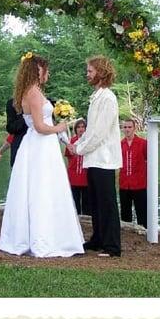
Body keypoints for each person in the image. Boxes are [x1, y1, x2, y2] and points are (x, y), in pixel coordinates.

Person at [0, 53, 84, 258]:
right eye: (46, 69)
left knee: (41, 187)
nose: (49, 73)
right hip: (40, 145)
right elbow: (39, 127)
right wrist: (61, 127)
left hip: (37, 145)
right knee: (43, 188)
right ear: (38, 70)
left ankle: (43, 234)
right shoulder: (34, 93)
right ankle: (46, 237)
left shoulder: (30, 91)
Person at [67, 55, 123, 257]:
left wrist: (79, 149)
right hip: (94, 159)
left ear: (100, 72)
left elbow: (99, 133)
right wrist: (78, 144)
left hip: (104, 160)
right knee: (96, 202)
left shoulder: (108, 98)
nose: (87, 74)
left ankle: (113, 246)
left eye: (90, 71)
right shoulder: (97, 97)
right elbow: (90, 131)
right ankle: (98, 238)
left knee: (107, 203)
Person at [119, 119, 147, 227]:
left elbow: (150, 161)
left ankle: (144, 233)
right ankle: (127, 237)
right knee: (125, 214)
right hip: (124, 184)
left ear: (134, 128)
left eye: (129, 127)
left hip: (139, 184)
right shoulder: (120, 144)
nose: (127, 129)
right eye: (125, 127)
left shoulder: (143, 143)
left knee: (142, 213)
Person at [64, 119, 90, 215]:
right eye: (78, 127)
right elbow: (68, 158)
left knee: (87, 203)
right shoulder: (71, 141)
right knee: (74, 202)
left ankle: (87, 224)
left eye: (83, 127)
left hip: (86, 176)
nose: (81, 129)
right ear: (75, 129)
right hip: (73, 176)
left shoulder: (89, 141)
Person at [5, 98, 27, 167]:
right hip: (19, 147)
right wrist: (26, 116)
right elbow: (10, 128)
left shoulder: (45, 101)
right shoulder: (12, 103)